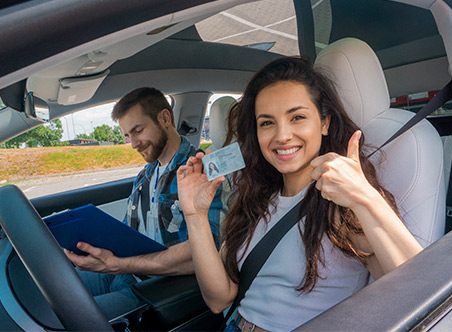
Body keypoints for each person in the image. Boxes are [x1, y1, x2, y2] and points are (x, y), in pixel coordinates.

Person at [176, 57, 423, 331]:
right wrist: (195, 215)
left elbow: (420, 294)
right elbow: (219, 300)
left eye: (297, 117)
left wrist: (365, 197)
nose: (282, 136)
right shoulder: (254, 199)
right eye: (267, 123)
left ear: (325, 123)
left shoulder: (344, 206)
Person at [64, 87, 225, 319]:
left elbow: (206, 250)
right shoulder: (144, 176)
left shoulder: (203, 170)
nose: (133, 144)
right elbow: (125, 230)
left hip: (162, 288)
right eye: (128, 136)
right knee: (51, 295)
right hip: (127, 273)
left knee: (71, 319)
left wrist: (120, 265)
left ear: (165, 118)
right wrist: (84, 244)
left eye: (138, 131)